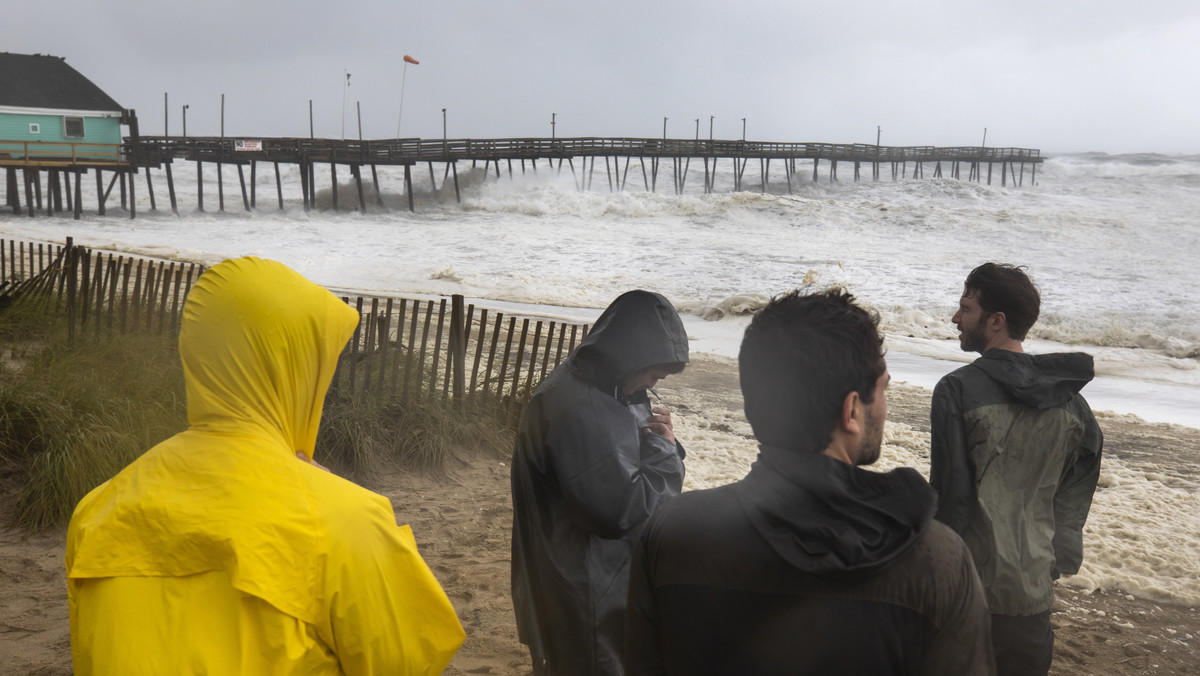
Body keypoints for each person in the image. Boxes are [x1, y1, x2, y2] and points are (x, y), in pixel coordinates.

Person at [66, 257, 465, 675]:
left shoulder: (96, 512)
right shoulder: (347, 525)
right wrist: (326, 501)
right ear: (294, 372)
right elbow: (407, 663)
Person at [624, 289, 995, 676]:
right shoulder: (936, 561)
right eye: (883, 389)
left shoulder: (672, 533)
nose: (884, 405)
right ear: (851, 410)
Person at [931, 262, 1104, 676]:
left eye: (965, 308)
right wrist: (1056, 561)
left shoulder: (956, 389)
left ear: (996, 321)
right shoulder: (1073, 404)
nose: (956, 317)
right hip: (1033, 600)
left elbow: (950, 499)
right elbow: (1080, 485)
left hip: (969, 597)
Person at [510, 289, 689, 675]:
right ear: (631, 355)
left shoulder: (610, 381)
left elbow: (636, 446)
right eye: (655, 372)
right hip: (583, 584)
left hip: (599, 575)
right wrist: (666, 454)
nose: (656, 382)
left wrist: (666, 444)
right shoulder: (577, 405)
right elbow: (619, 512)